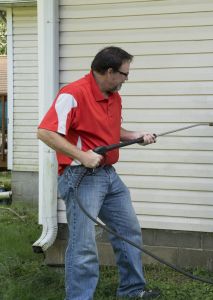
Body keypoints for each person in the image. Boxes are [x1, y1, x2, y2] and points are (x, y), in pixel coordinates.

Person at [37, 46, 160, 299]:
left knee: (128, 231)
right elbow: (45, 132)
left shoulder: (114, 96)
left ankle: (131, 290)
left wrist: (135, 135)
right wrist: (82, 156)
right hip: (81, 178)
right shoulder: (72, 94)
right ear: (109, 71)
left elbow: (110, 131)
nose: (127, 79)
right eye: (124, 74)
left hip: (108, 175)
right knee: (84, 246)